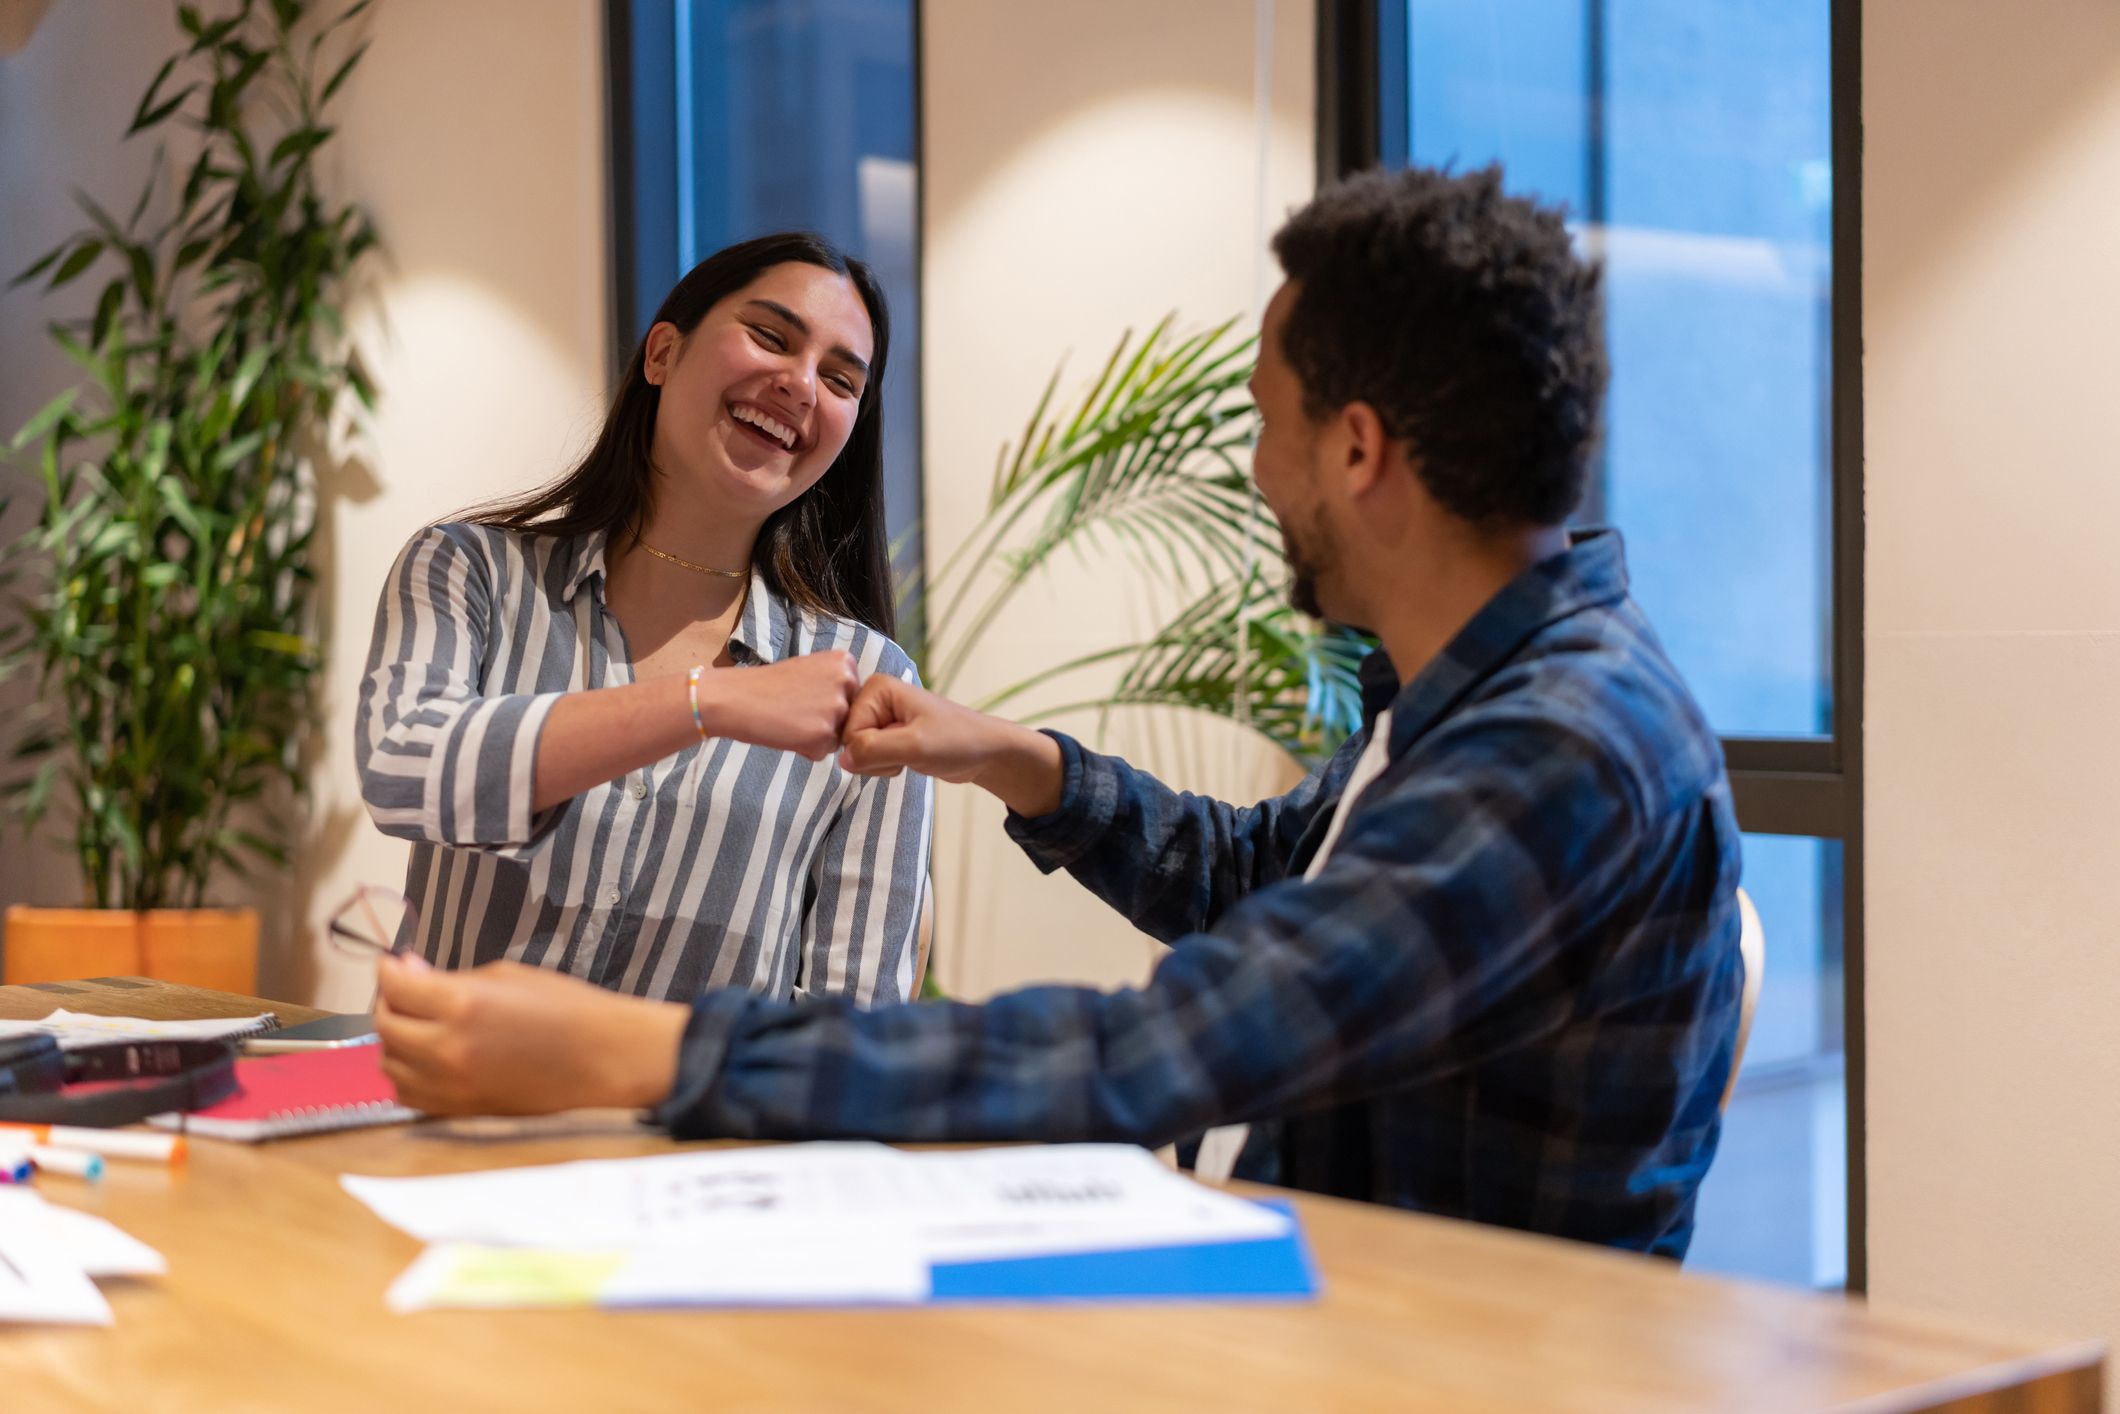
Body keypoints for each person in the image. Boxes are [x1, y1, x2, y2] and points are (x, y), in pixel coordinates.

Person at [372, 167, 1743, 1259]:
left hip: (1435, 1354)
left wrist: (640, 1047)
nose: (1259, 474)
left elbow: (1172, 1047)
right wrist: (1012, 757)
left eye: (1266, 421)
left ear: (1359, 447)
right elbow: (1258, 876)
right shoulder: (1477, 698)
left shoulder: (1562, 742)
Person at [355, 232, 932, 1006]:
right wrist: (709, 702)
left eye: (839, 379)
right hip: (440, 1116)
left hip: (693, 1129)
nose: (800, 384)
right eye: (771, 336)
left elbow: (851, 1022)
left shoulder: (870, 679)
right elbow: (404, 768)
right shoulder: (471, 571)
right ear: (662, 353)